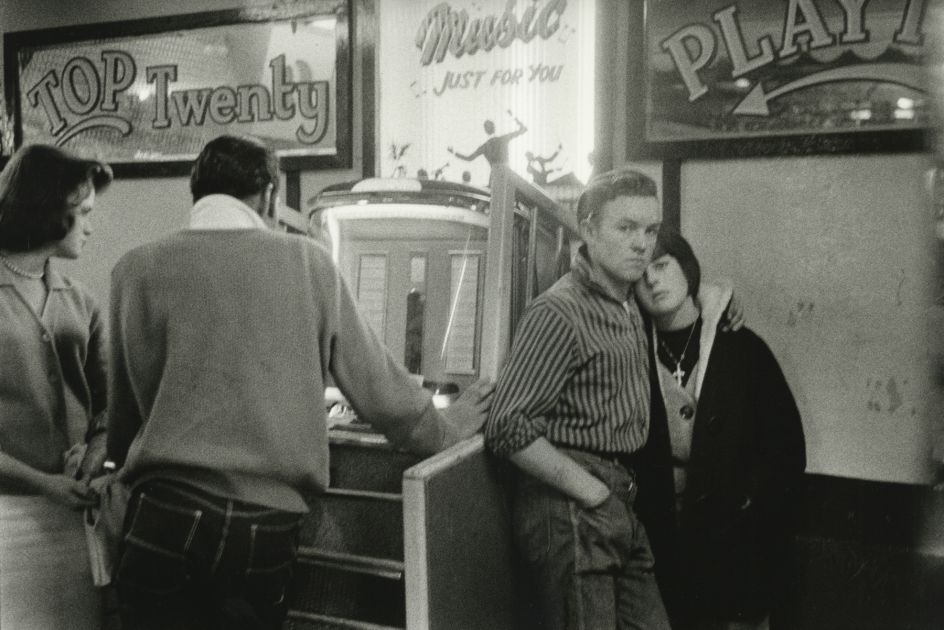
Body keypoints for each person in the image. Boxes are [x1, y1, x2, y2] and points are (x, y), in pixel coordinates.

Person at [106, 134, 494, 630]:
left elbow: (123, 413)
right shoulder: (308, 261)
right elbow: (379, 390)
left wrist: (118, 460)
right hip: (264, 523)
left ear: (196, 193)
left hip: (162, 513)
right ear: (268, 195)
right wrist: (446, 429)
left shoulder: (134, 268)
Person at [484, 168, 671, 629]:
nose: (641, 244)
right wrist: (592, 492)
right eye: (625, 228)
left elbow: (688, 291)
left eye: (650, 230)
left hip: (617, 501)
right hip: (571, 505)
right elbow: (508, 426)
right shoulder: (559, 310)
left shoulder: (627, 301)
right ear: (588, 229)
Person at [632, 229, 806, 630]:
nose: (653, 281)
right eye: (641, 274)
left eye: (662, 265)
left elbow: (786, 446)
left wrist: (752, 507)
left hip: (736, 545)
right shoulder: (633, 353)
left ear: (687, 269)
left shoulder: (741, 346)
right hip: (662, 547)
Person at [0, 144, 113, 629]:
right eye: (83, 212)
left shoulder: (82, 302)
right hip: (6, 519)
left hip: (74, 519)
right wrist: (45, 483)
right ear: (49, 209)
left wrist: (93, 456)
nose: (91, 226)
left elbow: (111, 407)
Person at [448, 109, 527, 167]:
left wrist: (454, 152)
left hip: (496, 174)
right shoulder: (503, 139)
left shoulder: (485, 147)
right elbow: (523, 129)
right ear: (494, 128)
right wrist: (513, 116)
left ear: (485, 130)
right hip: (506, 172)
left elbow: (469, 158)